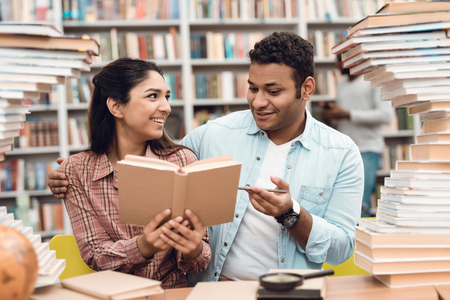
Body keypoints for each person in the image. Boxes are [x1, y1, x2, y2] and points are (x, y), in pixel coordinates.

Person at [48, 32, 363, 285]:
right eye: (252, 88)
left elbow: (342, 249)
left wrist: (292, 214)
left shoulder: (342, 153)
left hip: (290, 291)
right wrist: (65, 175)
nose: (258, 101)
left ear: (306, 89)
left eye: (273, 91)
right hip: (215, 287)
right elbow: (158, 162)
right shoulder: (213, 135)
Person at [54, 58, 211, 289]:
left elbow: (200, 260)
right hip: (112, 294)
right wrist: (145, 245)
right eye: (152, 96)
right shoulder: (76, 171)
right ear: (116, 106)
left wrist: (194, 249)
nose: (166, 107)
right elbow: (95, 255)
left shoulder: (182, 161)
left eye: (166, 97)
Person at [321, 54, 393, 217]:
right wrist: (331, 115)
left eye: (339, 60)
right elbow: (343, 120)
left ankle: (361, 242)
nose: (337, 65)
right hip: (343, 151)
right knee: (344, 204)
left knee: (361, 203)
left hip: (367, 149)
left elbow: (386, 116)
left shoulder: (374, 82)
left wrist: (347, 114)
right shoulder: (341, 86)